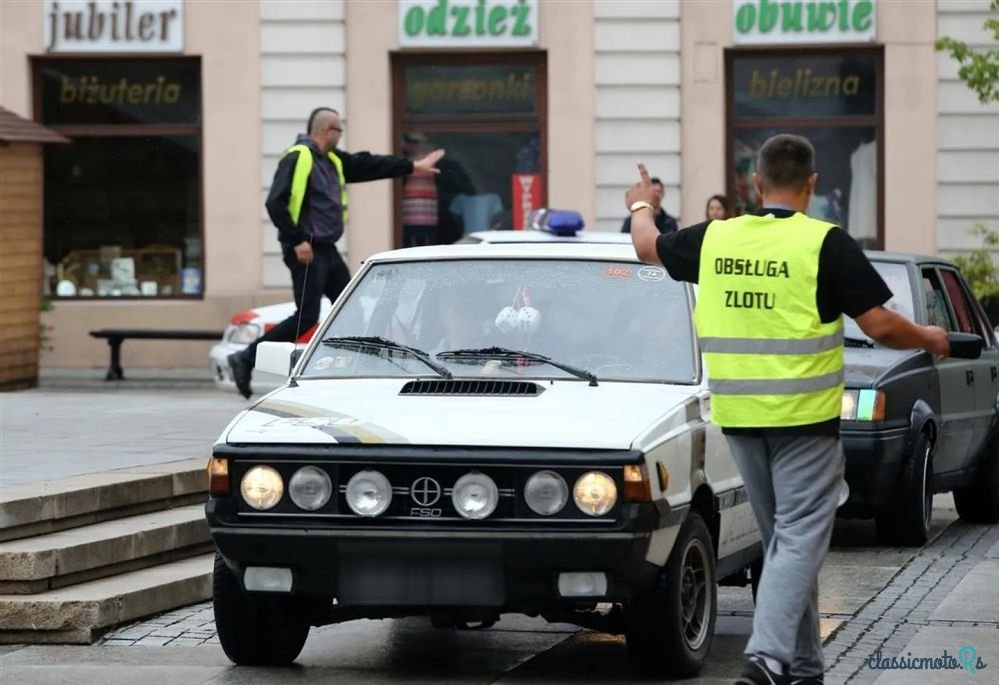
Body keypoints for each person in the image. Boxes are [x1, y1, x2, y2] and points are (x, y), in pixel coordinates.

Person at [626, 134, 950, 685]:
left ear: (756, 183)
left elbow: (646, 246)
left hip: (739, 418)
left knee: (782, 542)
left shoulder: (717, 238)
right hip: (804, 420)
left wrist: (641, 203)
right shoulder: (823, 243)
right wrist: (931, 337)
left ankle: (804, 668)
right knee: (800, 538)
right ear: (812, 184)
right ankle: (767, 657)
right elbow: (878, 324)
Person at [227, 107, 445, 399]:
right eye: (339, 130)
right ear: (326, 130)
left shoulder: (332, 161)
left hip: (326, 249)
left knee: (350, 308)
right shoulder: (298, 157)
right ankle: (245, 358)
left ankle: (351, 367)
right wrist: (297, 240)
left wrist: (412, 167)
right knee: (307, 316)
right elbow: (275, 203)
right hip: (306, 249)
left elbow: (366, 164)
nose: (341, 136)